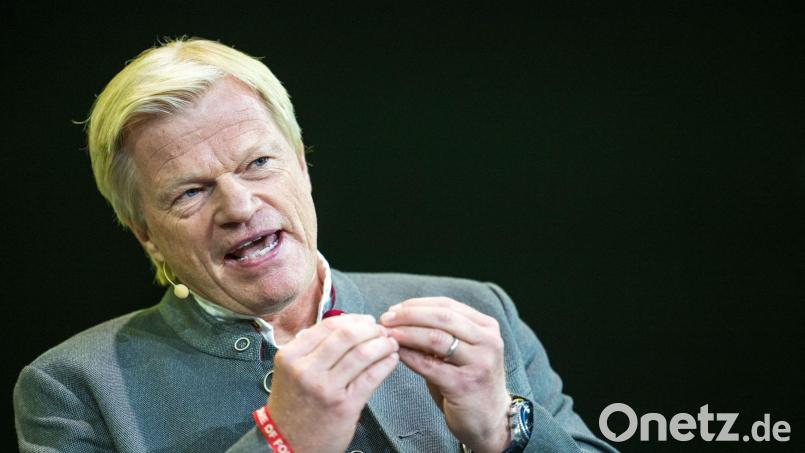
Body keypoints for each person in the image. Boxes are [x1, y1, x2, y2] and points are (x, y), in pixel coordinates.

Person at [13, 38, 617, 453]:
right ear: (145, 234)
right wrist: (283, 442)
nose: (239, 207)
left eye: (258, 163)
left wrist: (506, 431)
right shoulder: (73, 388)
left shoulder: (477, 313)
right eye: (191, 191)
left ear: (302, 166)